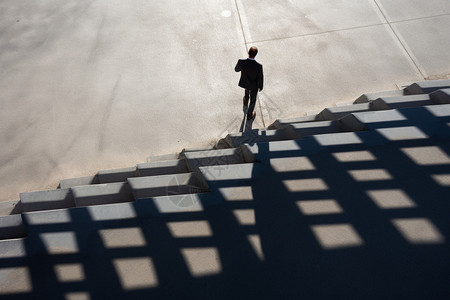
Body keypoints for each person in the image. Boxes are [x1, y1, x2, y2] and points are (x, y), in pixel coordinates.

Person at [235, 46, 264, 121]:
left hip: (245, 82)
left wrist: (237, 65)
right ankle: (249, 114)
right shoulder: (259, 66)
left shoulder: (242, 62)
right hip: (254, 85)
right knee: (253, 99)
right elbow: (260, 77)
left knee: (247, 90)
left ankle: (245, 100)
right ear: (256, 54)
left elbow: (236, 70)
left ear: (248, 53)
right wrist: (260, 87)